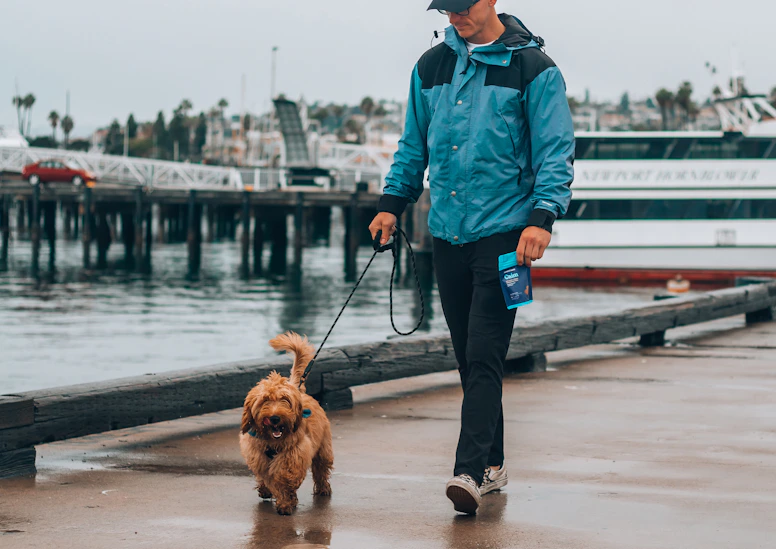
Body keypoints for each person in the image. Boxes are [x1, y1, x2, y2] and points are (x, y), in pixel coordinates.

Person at [368, 0, 575, 514]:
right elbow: (413, 145)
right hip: (448, 236)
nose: (455, 15)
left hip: (507, 237)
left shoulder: (534, 69)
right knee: (469, 358)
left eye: (464, 6)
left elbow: (556, 151)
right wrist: (392, 203)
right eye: (447, 7)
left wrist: (542, 217)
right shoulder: (431, 65)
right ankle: (494, 463)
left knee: (484, 354)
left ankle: (468, 471)